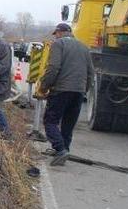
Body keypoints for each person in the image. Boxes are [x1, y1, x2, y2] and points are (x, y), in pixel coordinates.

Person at [39, 23, 94, 166]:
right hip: (79, 91)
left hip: (61, 90)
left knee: (50, 121)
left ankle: (60, 149)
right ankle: (64, 150)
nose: (55, 36)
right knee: (68, 124)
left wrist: (44, 86)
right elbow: (90, 73)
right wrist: (84, 90)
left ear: (60, 33)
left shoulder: (58, 44)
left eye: (56, 34)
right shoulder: (84, 47)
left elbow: (53, 67)